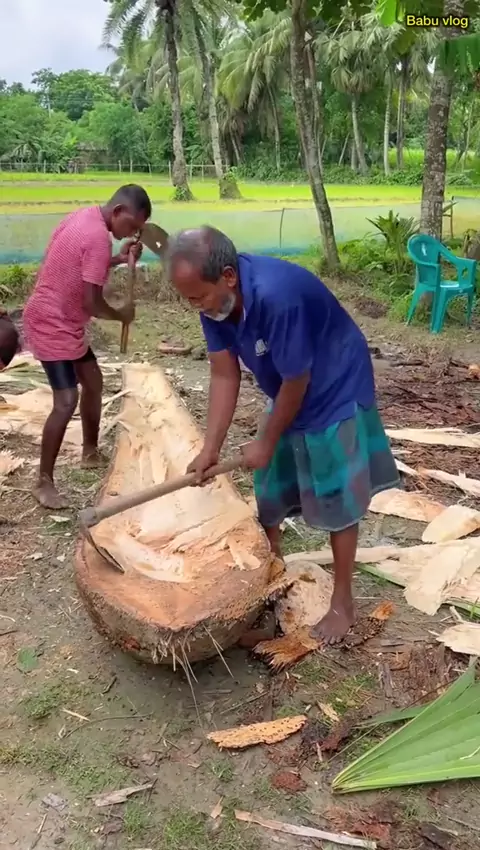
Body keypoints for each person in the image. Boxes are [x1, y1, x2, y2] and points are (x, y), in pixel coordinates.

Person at [165, 226, 400, 643]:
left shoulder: (278, 296)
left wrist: (267, 441)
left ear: (228, 277)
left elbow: (298, 380)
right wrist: (210, 448)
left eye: (197, 297)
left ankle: (343, 602)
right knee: (269, 489)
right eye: (188, 300)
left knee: (336, 496)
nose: (194, 306)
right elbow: (224, 373)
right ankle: (268, 585)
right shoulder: (215, 306)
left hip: (334, 384)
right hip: (289, 385)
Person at [23, 184, 152, 510]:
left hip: (66, 321)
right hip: (51, 321)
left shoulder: (84, 217)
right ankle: (43, 482)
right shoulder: (97, 237)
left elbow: (84, 267)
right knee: (67, 400)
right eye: (132, 226)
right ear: (119, 211)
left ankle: (90, 452)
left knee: (93, 381)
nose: (132, 233)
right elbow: (91, 303)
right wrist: (120, 314)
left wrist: (118, 259)